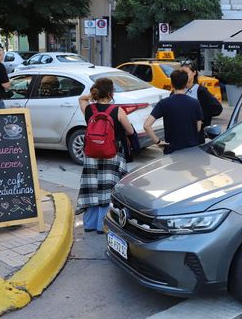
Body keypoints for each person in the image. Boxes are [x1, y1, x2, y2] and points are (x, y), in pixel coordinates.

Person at [76, 78, 135, 234]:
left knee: (92, 188)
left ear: (95, 91)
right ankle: (103, 225)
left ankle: (89, 224)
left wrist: (92, 96)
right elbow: (129, 131)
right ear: (111, 93)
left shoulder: (89, 109)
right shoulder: (117, 110)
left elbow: (81, 99)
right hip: (112, 154)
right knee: (107, 189)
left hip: (91, 154)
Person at [143, 69, 202, 155]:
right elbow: (198, 128)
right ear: (186, 84)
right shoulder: (195, 103)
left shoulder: (164, 103)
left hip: (172, 151)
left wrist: (158, 142)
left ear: (172, 84)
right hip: (192, 151)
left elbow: (146, 126)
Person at [181, 61, 222, 143]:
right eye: (181, 73)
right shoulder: (178, 89)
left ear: (194, 73)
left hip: (195, 137)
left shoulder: (200, 91)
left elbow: (217, 108)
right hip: (180, 134)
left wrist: (200, 118)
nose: (183, 76)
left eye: (186, 73)